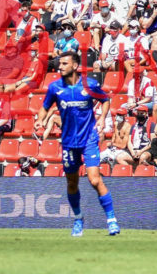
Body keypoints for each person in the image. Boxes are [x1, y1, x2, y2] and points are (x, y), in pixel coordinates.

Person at [35, 52, 119, 236]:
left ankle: (112, 220)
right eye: (59, 63)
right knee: (72, 184)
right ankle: (78, 218)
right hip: (68, 142)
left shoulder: (90, 85)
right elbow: (44, 107)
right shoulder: (54, 87)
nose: (60, 66)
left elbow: (105, 100)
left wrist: (102, 119)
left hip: (88, 138)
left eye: (65, 63)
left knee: (94, 180)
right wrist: (40, 120)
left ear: (75, 66)